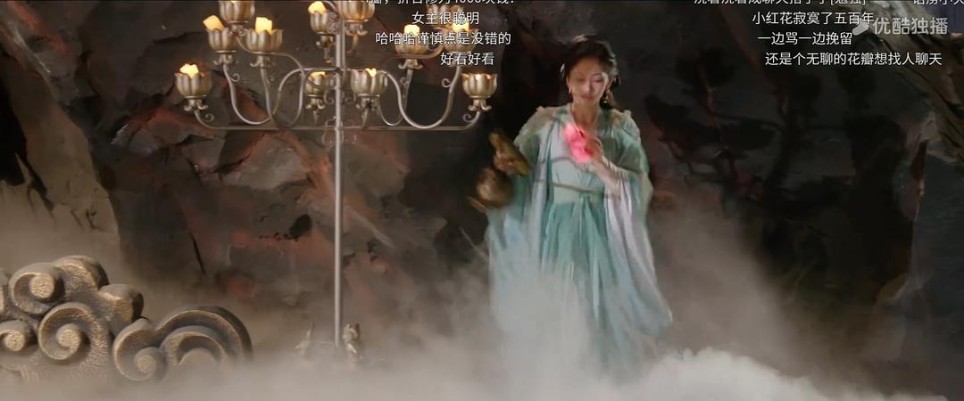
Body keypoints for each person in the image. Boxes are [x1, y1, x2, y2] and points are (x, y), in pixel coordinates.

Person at [483, 37, 673, 384]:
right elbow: (522, 174)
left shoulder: (620, 128)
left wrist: (601, 163)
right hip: (555, 229)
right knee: (560, 306)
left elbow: (637, 187)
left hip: (602, 231)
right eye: (580, 79)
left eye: (597, 79)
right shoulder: (544, 125)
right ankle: (559, 383)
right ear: (567, 81)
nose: (588, 88)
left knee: (602, 308)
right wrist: (507, 167)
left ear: (609, 81)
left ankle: (606, 384)